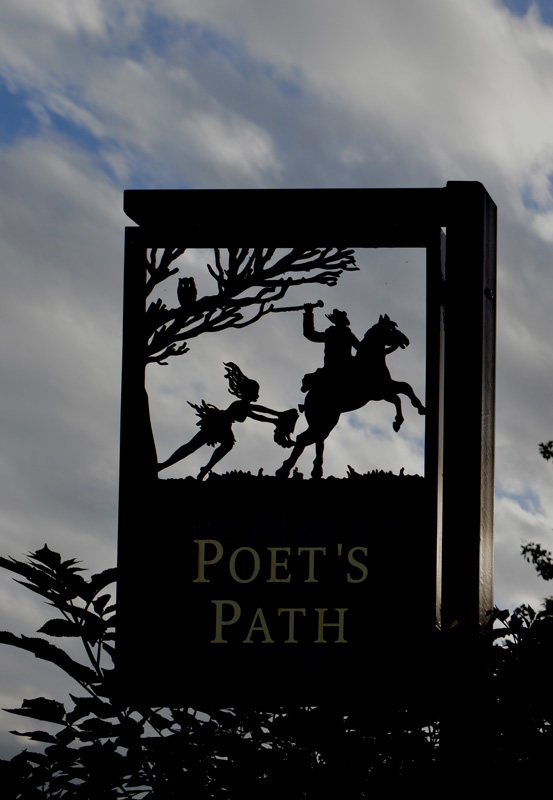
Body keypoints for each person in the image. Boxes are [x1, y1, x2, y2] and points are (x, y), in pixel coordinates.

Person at [157, 362, 298, 480]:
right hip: (218, 423)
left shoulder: (244, 405)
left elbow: (257, 412)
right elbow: (257, 413)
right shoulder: (239, 405)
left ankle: (203, 470)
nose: (257, 395)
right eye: (255, 391)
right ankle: (165, 466)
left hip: (225, 427)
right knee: (192, 447)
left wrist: (276, 416)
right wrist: (275, 417)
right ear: (248, 392)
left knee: (222, 445)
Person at [301, 305, 359, 392]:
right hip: (332, 369)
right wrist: (308, 313)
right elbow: (310, 334)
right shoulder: (332, 333)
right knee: (309, 380)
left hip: (344, 368)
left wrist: (308, 313)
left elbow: (361, 348)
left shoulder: (345, 334)